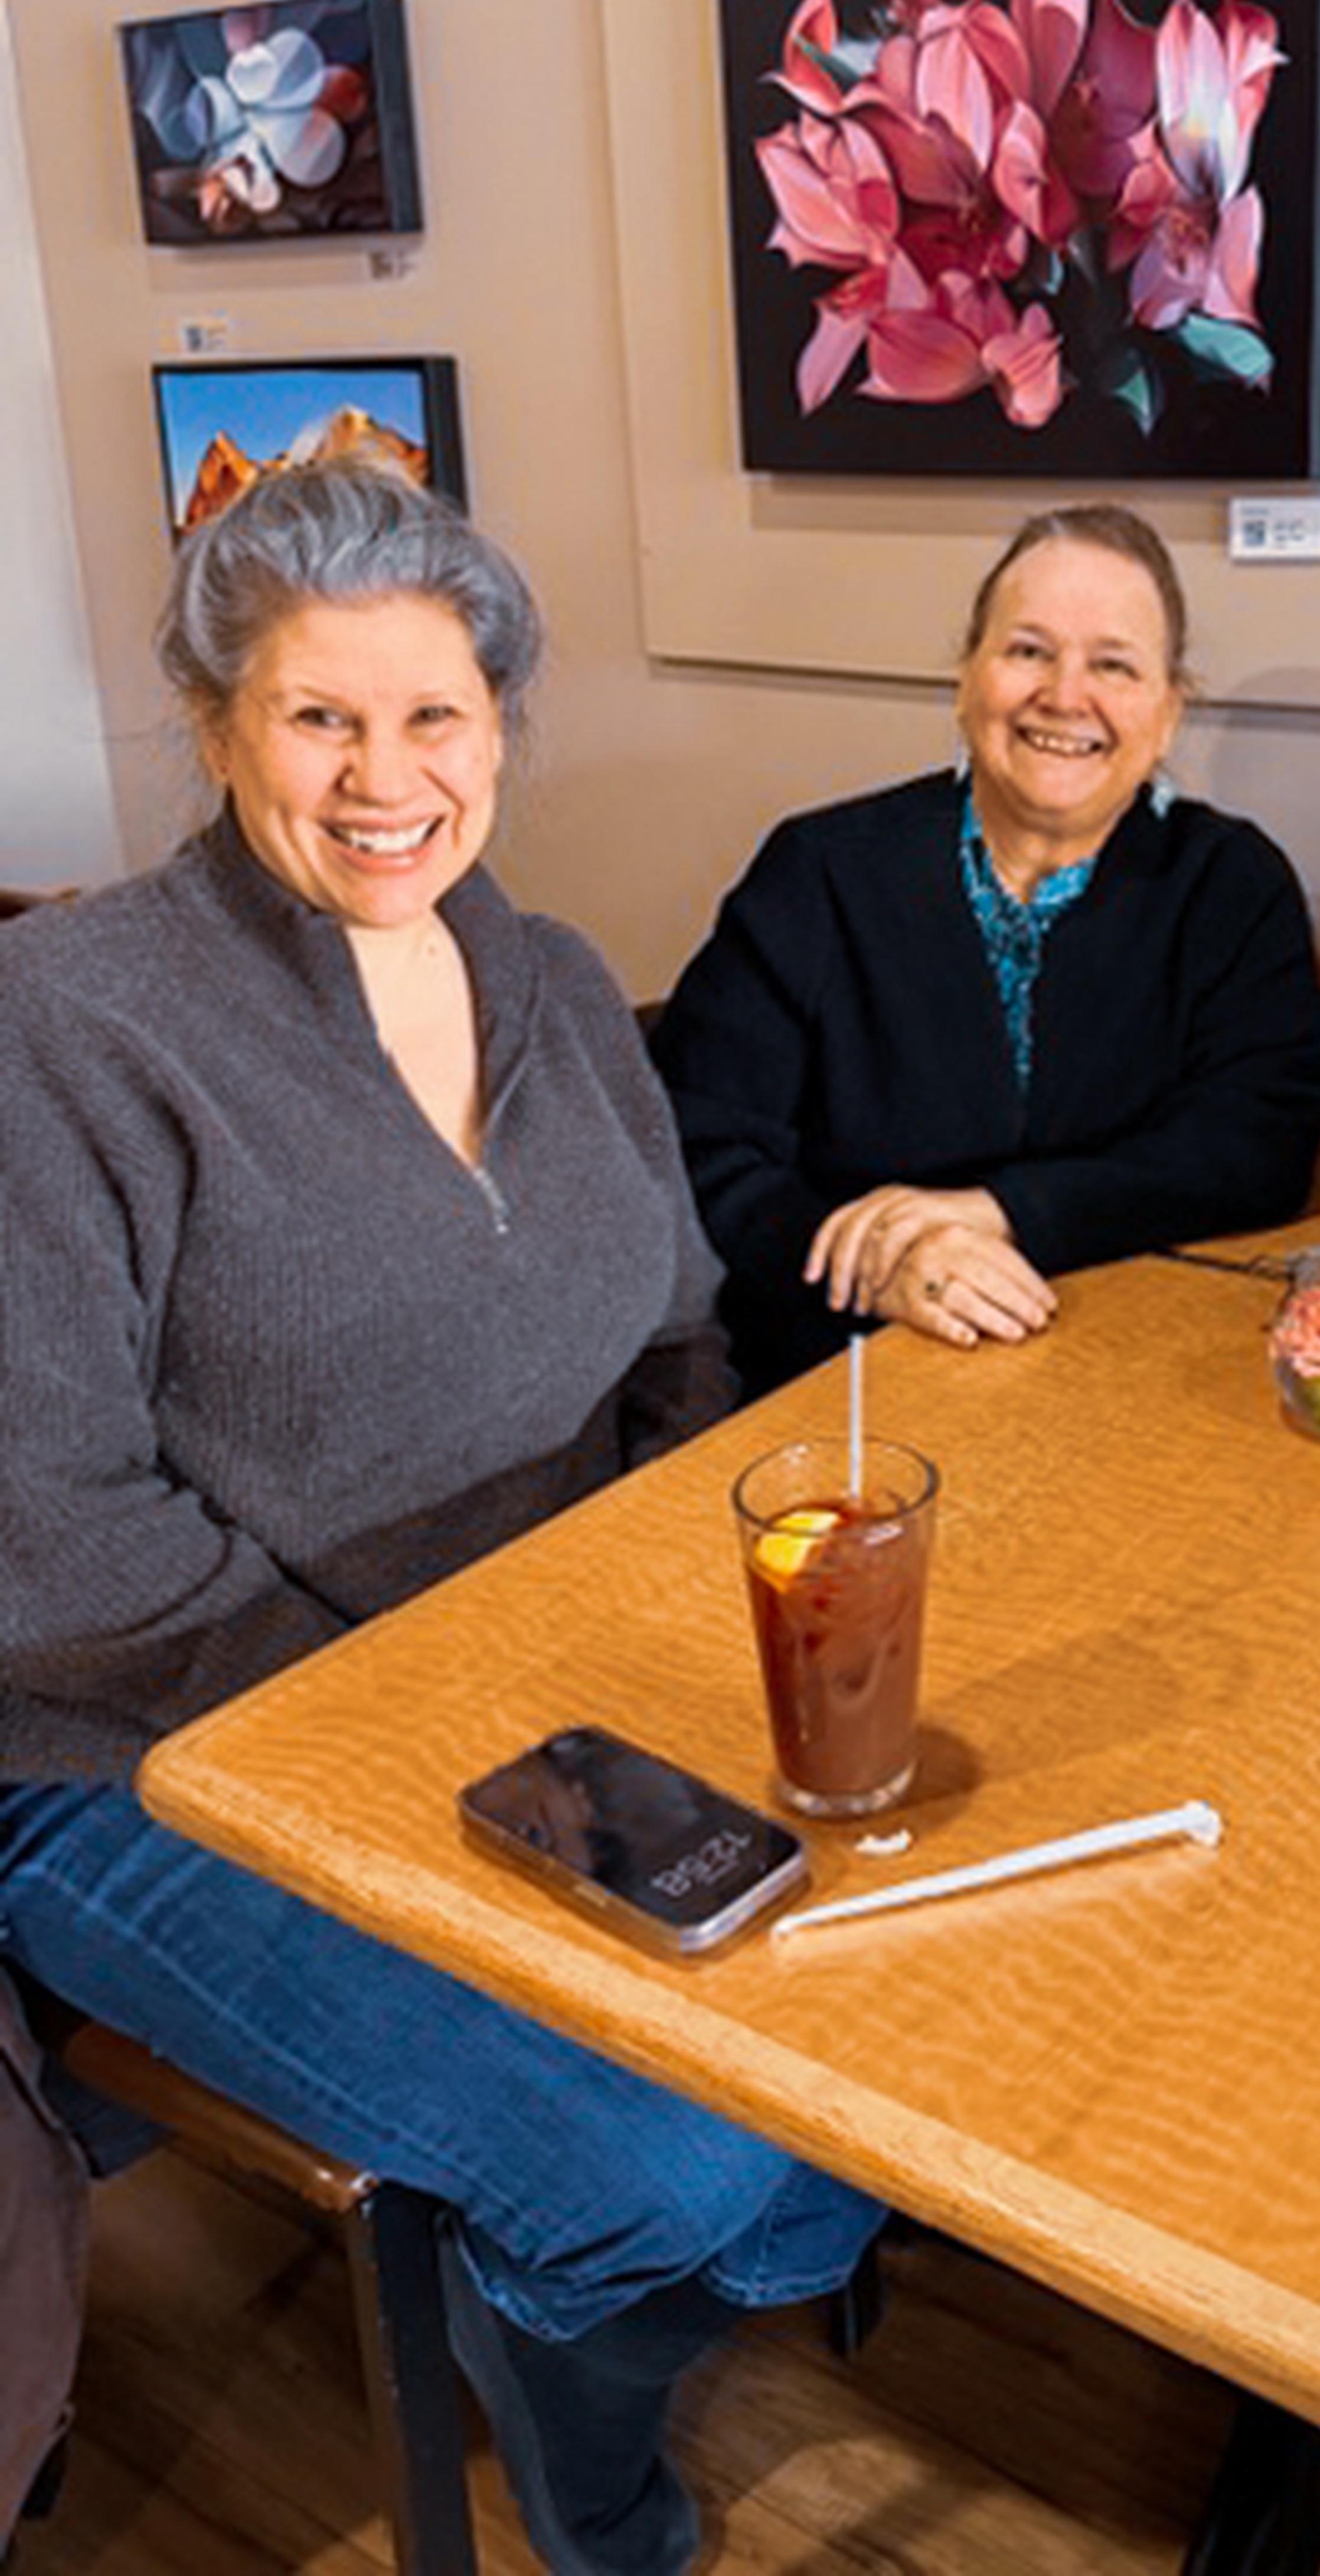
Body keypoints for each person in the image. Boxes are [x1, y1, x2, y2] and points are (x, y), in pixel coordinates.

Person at [0, 465, 882, 2576]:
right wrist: (404, 1733)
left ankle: (528, 2302)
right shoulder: (76, 1024)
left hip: (525, 1704)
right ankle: (593, 2477)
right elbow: (45, 1530)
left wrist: (743, 1597)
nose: (385, 779)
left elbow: (675, 1349)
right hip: (148, 1757)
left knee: (883, 2104)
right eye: (320, 719)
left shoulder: (564, 981)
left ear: (499, 731)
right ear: (216, 731)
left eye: (437, 717)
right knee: (668, 2183)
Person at [655, 504, 1320, 1391]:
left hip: (1135, 1371)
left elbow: (1256, 1148)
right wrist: (882, 1266)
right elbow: (696, 1144)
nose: (1064, 694)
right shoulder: (818, 871)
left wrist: (1002, 1215)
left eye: (1114, 665)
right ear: (965, 678)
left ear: (1168, 713)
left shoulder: (1230, 885)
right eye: (1027, 651)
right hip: (844, 1379)